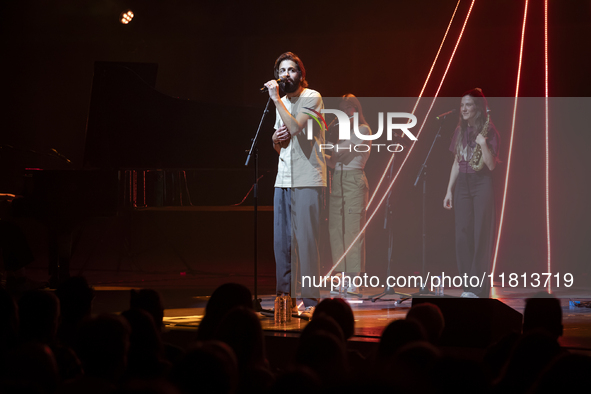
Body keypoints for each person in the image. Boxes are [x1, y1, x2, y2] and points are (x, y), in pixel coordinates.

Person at [264, 52, 326, 317]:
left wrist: (277, 100)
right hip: (283, 180)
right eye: (282, 70)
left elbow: (297, 128)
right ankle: (284, 299)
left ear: (300, 74)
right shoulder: (283, 102)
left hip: (308, 179)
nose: (285, 75)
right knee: (282, 243)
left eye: (291, 70)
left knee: (307, 242)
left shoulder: (312, 97)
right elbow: (282, 146)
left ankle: (311, 301)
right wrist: (275, 139)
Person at [443, 88, 500, 298]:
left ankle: (478, 289)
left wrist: (483, 144)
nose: (464, 108)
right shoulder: (460, 131)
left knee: (481, 235)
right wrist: (449, 189)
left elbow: (492, 166)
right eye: (462, 105)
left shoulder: (489, 131)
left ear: (477, 108)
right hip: (463, 186)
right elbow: (457, 162)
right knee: (462, 236)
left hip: (481, 183)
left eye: (468, 105)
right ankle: (468, 287)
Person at [325, 95, 371, 295]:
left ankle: (354, 280)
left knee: (352, 231)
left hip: (354, 181)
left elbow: (339, 153)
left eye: (346, 110)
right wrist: (318, 155)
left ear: (355, 110)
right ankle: (341, 276)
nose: (343, 114)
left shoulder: (363, 130)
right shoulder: (342, 134)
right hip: (338, 181)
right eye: (340, 110)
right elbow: (334, 162)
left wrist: (320, 142)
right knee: (335, 229)